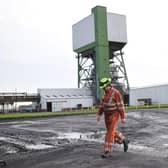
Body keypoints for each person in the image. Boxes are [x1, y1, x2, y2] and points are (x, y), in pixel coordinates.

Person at [97, 77, 129, 158]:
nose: (104, 89)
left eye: (104, 87)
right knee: (111, 131)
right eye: (103, 88)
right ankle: (123, 140)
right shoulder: (104, 94)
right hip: (107, 116)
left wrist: (123, 117)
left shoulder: (116, 93)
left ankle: (107, 150)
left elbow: (120, 106)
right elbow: (102, 105)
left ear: (108, 85)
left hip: (114, 115)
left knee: (110, 133)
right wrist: (99, 114)